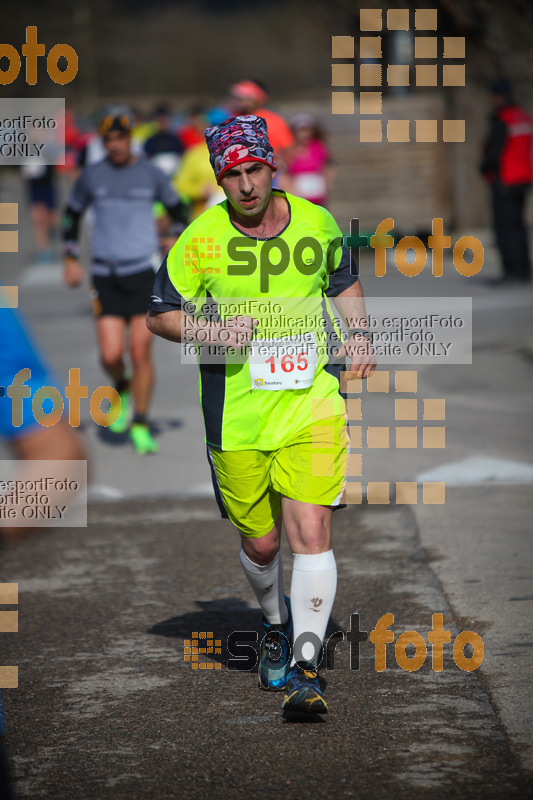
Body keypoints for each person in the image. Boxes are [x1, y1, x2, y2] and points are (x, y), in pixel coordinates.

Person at [147, 115, 376, 714]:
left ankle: (305, 668)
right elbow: (161, 316)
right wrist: (212, 330)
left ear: (272, 166)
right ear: (219, 180)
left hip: (312, 400)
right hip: (237, 416)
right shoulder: (199, 238)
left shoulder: (316, 221)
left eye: (254, 170)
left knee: (312, 532)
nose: (246, 185)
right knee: (264, 544)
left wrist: (360, 335)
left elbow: (343, 276)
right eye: (233, 175)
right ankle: (273, 622)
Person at [62, 104, 188, 454]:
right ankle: (122, 386)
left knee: (140, 351)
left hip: (141, 271)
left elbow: (181, 212)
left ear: (130, 137)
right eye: (108, 139)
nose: (115, 144)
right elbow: (71, 215)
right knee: (111, 353)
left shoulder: (150, 173)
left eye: (120, 137)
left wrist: (175, 236)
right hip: (104, 273)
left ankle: (142, 422)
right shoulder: (92, 174)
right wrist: (70, 257)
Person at [481, 78, 532, 285]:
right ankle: (523, 269)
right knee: (519, 227)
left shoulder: (502, 120)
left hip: (505, 180)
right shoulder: (522, 117)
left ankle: (511, 271)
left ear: (496, 97)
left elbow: (494, 154)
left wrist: (484, 168)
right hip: (523, 178)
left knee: (505, 229)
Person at [228, 80, 294, 175]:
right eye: (237, 97)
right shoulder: (230, 119)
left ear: (257, 99)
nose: (239, 101)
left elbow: (287, 150)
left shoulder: (273, 120)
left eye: (244, 97)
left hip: (270, 172)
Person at [286, 113, 335, 207]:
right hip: (299, 199)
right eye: (301, 130)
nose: (305, 134)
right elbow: (284, 174)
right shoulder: (289, 151)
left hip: (319, 198)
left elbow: (328, 168)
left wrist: (326, 186)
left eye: (307, 130)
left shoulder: (319, 147)